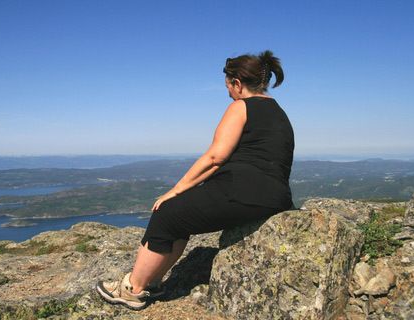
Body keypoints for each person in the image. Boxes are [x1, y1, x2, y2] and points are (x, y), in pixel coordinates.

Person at [95, 50, 295, 310]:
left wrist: (175, 190)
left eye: (228, 87)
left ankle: (133, 289)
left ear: (237, 83)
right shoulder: (278, 111)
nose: (228, 94)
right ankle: (152, 282)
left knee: (166, 213)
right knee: (181, 217)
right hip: (276, 196)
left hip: (243, 191)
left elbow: (215, 157)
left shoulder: (241, 106)